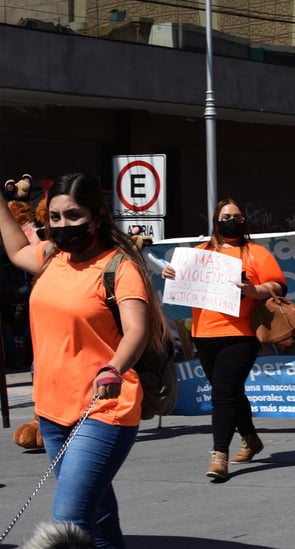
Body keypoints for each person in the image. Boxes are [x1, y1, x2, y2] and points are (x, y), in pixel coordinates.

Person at [0, 172, 163, 546]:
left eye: (73, 216)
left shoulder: (119, 267)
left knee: (68, 522)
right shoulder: (51, 257)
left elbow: (136, 331)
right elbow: (14, 250)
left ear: (97, 216)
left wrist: (114, 368)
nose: (62, 226)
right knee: (99, 516)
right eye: (54, 218)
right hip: (53, 411)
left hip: (103, 408)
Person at [162, 198, 286, 482]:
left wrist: (254, 290)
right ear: (216, 221)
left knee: (222, 395)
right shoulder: (198, 253)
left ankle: (219, 456)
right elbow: (182, 282)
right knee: (229, 391)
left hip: (240, 335)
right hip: (204, 334)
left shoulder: (255, 253)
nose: (232, 221)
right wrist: (172, 274)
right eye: (227, 216)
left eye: (238, 216)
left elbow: (277, 285)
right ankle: (251, 438)